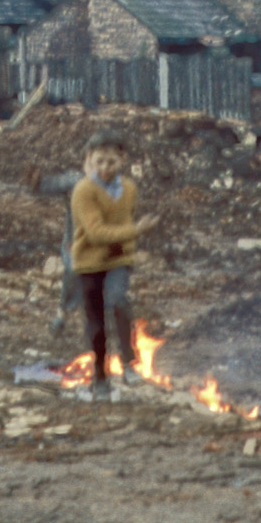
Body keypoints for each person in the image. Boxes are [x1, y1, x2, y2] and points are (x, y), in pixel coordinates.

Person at [68, 128, 157, 403]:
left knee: (119, 301)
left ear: (122, 160)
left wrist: (128, 242)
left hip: (118, 259)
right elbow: (95, 233)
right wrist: (135, 231)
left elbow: (123, 221)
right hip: (89, 262)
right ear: (89, 160)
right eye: (99, 162)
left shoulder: (129, 189)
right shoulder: (84, 191)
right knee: (96, 322)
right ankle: (100, 377)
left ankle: (129, 362)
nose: (105, 168)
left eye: (111, 162)